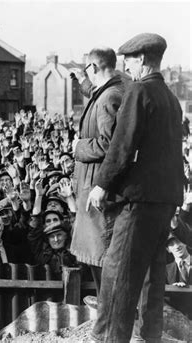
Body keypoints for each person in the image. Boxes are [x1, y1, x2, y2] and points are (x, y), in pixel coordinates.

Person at [86, 33, 184, 342]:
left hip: (139, 202)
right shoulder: (170, 98)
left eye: (128, 60)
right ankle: (148, 337)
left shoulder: (139, 91)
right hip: (165, 199)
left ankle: (107, 338)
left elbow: (122, 145)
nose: (125, 66)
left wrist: (102, 184)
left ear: (141, 60)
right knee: (152, 280)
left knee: (119, 276)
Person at [69, 47, 126, 297]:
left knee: (101, 255)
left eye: (87, 70)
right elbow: (94, 91)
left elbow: (110, 144)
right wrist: (80, 80)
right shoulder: (114, 88)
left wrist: (78, 146)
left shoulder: (109, 97)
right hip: (94, 188)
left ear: (93, 68)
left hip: (98, 191)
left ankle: (110, 317)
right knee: (97, 254)